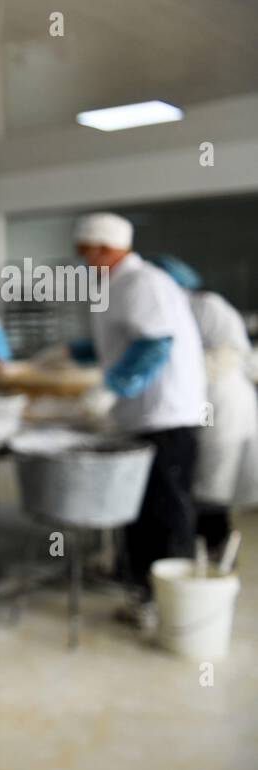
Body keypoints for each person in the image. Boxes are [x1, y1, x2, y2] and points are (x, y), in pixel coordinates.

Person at [68, 214, 207, 622]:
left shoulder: (142, 282)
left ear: (105, 248)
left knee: (166, 511)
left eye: (85, 253)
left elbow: (154, 345)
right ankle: (143, 590)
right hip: (144, 417)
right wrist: (69, 353)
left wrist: (111, 388)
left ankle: (171, 607)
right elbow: (117, 343)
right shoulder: (117, 285)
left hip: (167, 416)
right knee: (144, 510)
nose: (82, 262)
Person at [150, 255, 258, 552]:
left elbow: (231, 352)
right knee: (199, 473)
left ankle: (215, 549)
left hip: (221, 399)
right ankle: (199, 548)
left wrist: (187, 370)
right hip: (197, 399)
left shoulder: (206, 305)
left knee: (213, 474)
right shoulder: (171, 308)